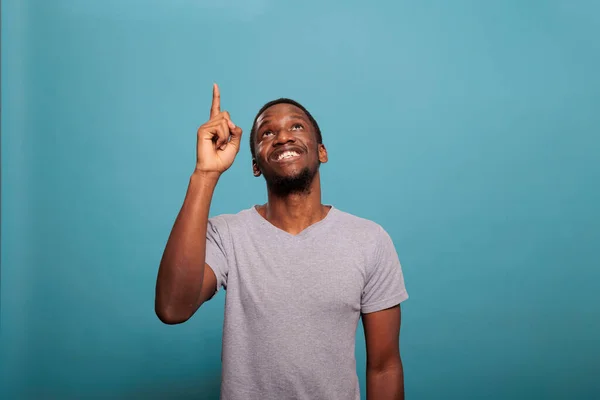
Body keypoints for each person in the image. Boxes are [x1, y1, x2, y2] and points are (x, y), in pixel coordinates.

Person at [155, 83, 409, 400]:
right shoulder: (227, 235)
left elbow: (384, 367)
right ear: (255, 166)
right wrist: (205, 173)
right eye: (266, 133)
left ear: (321, 151)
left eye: (297, 126)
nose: (283, 136)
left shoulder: (370, 240)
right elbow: (172, 308)